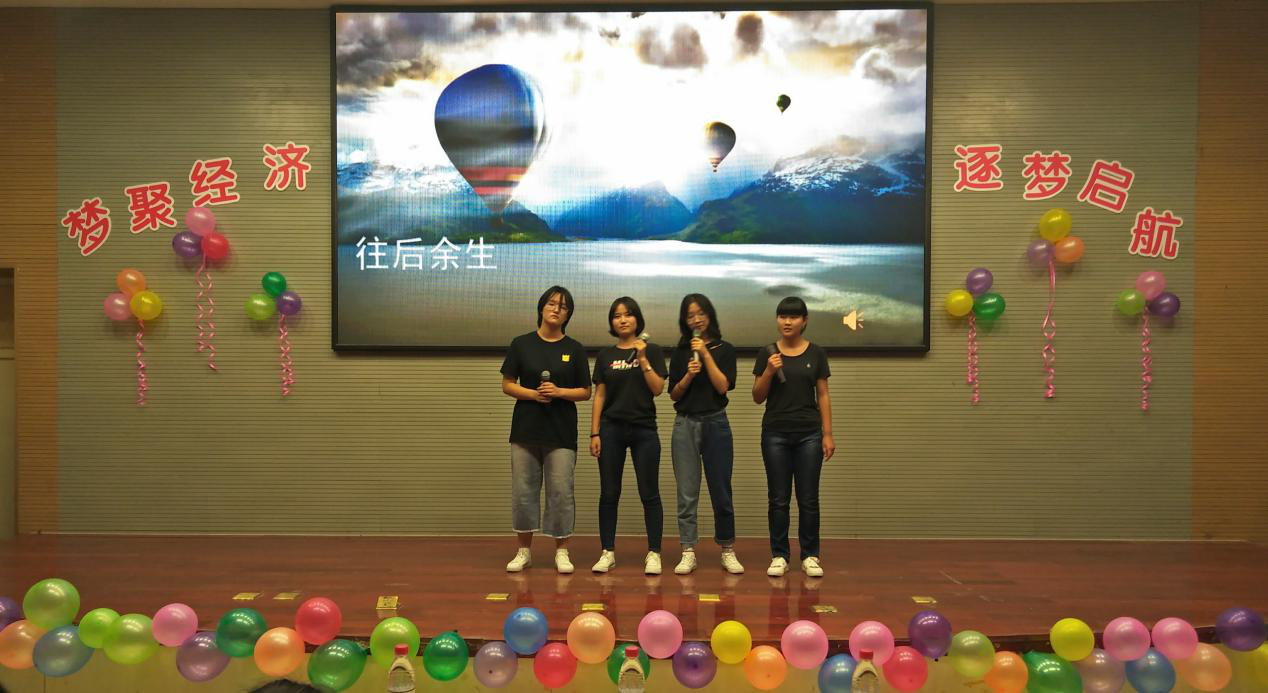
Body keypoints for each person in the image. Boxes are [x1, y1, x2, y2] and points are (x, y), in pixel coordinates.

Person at [500, 286, 591, 573]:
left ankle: (562, 551)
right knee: (523, 491)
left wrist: (559, 392)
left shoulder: (574, 349)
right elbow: (507, 384)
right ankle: (523, 551)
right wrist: (533, 394)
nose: (556, 310)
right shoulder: (521, 344)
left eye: (562, 307)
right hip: (525, 430)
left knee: (561, 492)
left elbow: (585, 391)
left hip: (561, 432)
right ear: (541, 307)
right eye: (552, 304)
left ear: (568, 315)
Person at [751, 296, 835, 578]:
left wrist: (827, 434)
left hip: (809, 434)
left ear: (804, 320)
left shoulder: (816, 353)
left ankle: (810, 555)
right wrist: (769, 371)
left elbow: (823, 394)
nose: (787, 322)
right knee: (778, 498)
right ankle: (779, 555)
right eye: (782, 316)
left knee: (808, 498)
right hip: (775, 433)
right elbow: (757, 396)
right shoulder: (767, 353)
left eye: (793, 317)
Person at [589, 297, 668, 575]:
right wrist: (594, 432)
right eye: (617, 316)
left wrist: (643, 359)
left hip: (644, 429)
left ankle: (654, 553)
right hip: (611, 429)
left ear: (637, 319)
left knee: (650, 492)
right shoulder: (605, 355)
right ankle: (607, 552)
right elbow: (600, 395)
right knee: (609, 492)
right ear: (612, 322)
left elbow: (658, 388)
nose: (622, 320)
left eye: (628, 314)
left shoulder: (652, 351)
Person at [667, 293, 743, 575]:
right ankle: (688, 551)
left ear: (709, 315)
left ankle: (727, 549)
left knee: (721, 490)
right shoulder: (680, 352)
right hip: (685, 424)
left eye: (700, 313)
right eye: (690, 315)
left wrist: (706, 355)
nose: (696, 319)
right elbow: (674, 394)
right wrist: (688, 375)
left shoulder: (725, 349)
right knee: (687, 493)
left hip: (716, 423)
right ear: (684, 321)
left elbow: (723, 386)